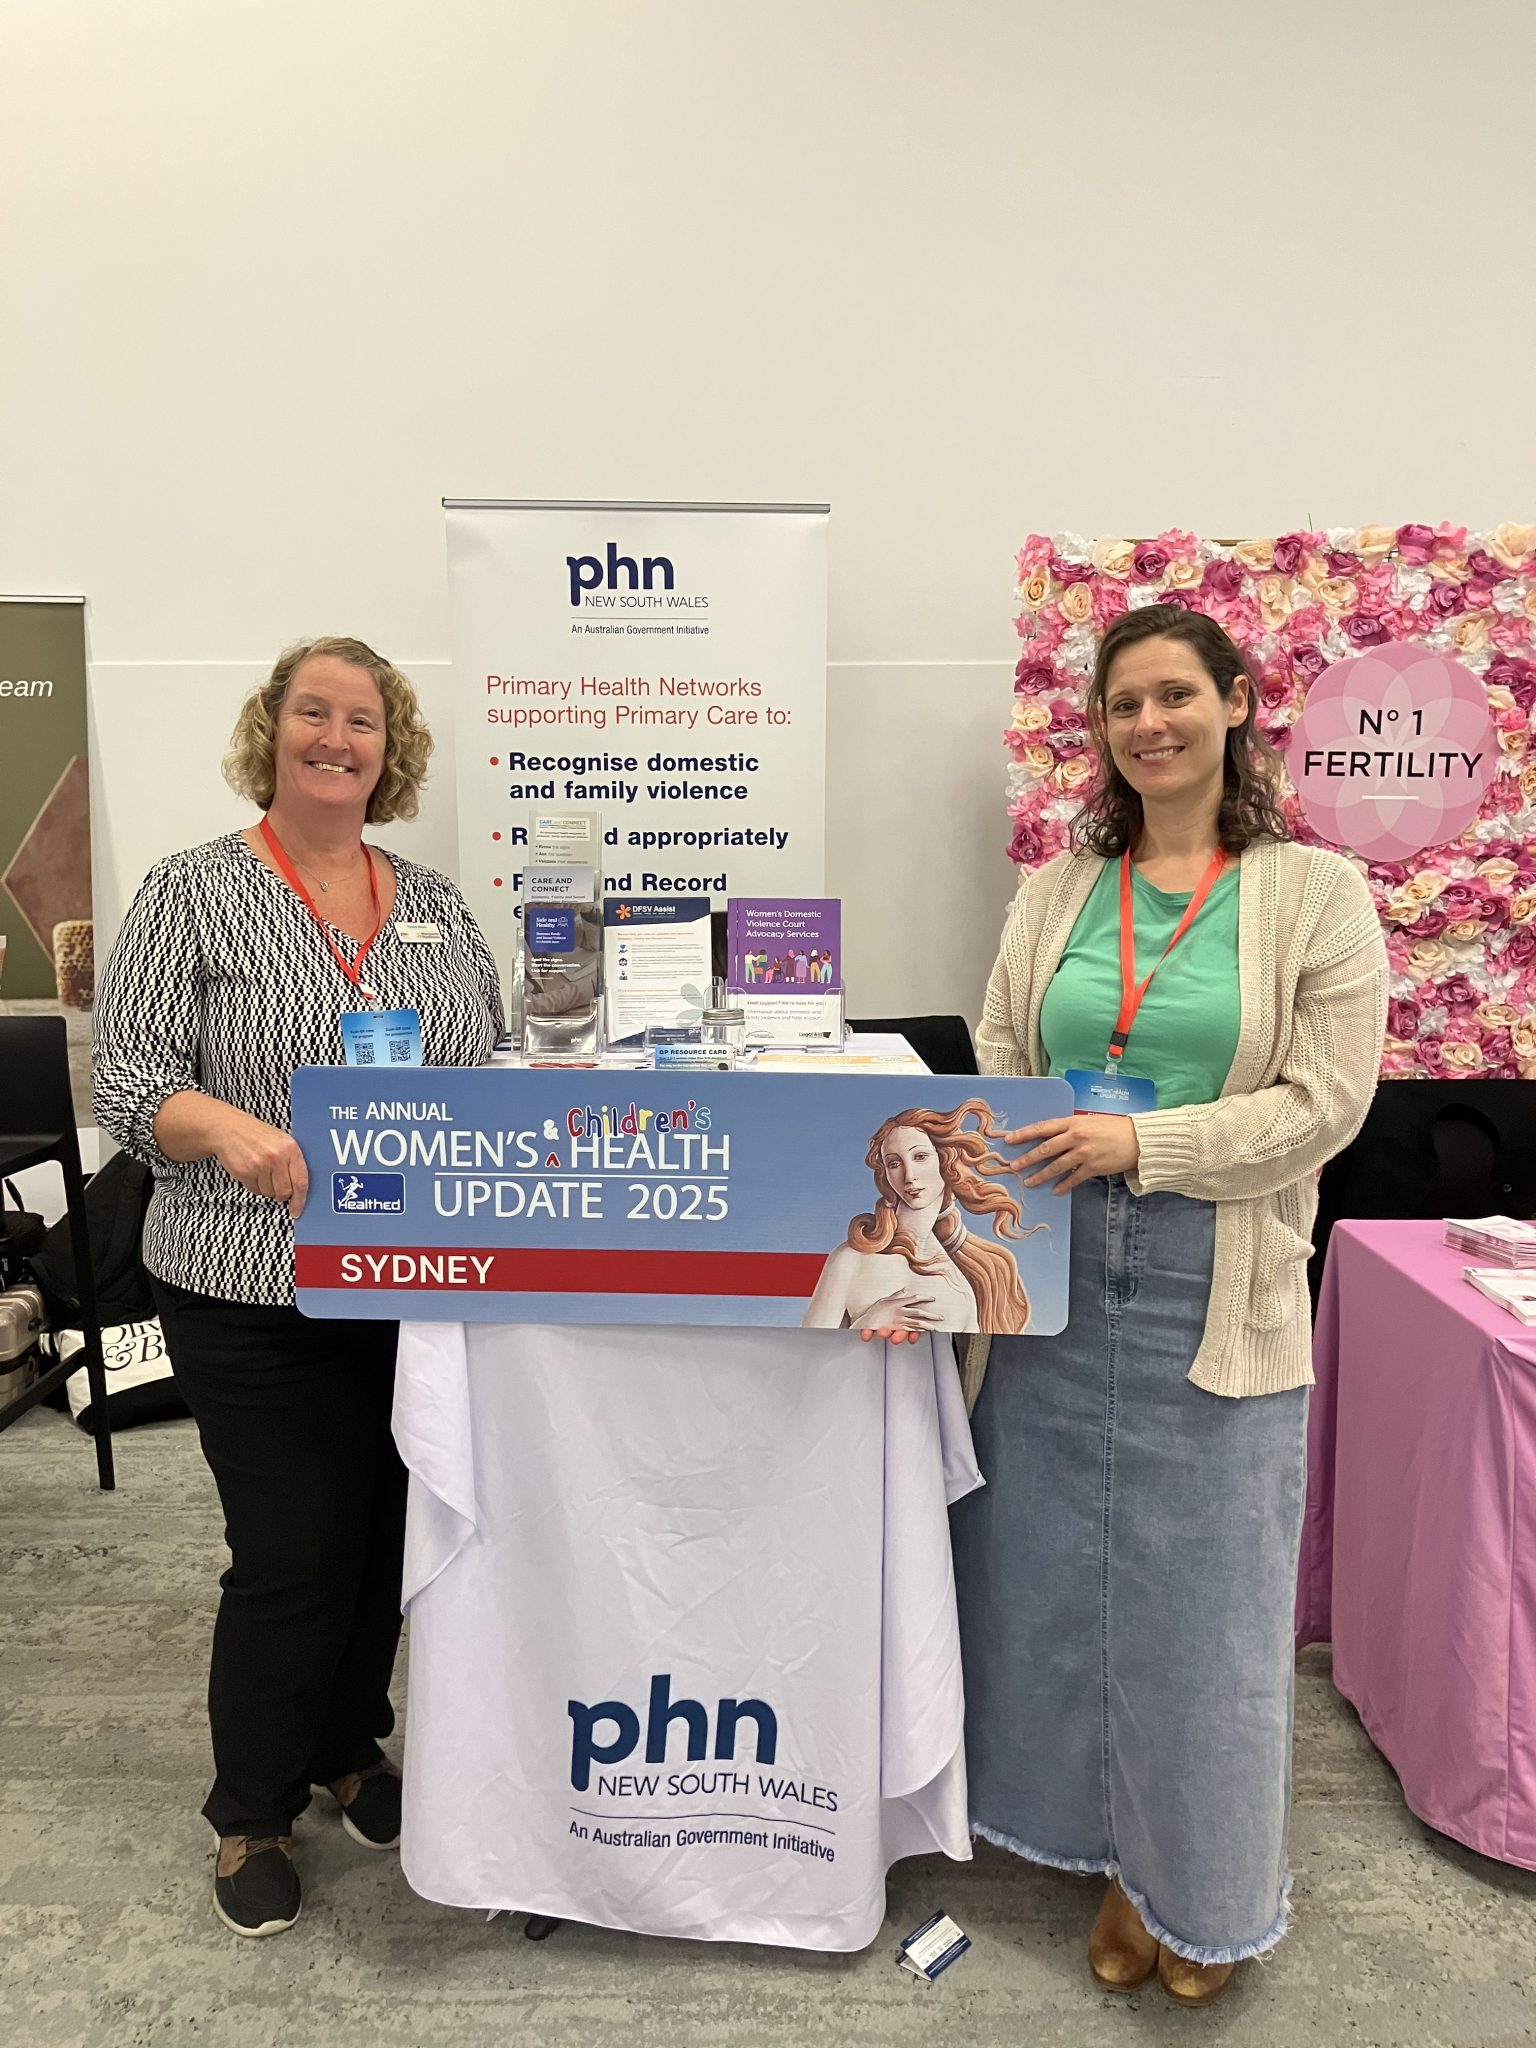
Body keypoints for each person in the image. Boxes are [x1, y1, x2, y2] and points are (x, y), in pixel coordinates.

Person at [950, 605, 1387, 2005]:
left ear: (1236, 702)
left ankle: (1189, 1882)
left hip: (1218, 1279)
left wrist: (1149, 1142)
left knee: (1205, 1608)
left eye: (1176, 695)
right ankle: (1100, 1849)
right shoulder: (1058, 889)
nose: (1150, 724)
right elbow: (1003, 1045)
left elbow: (1326, 1104)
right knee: (1048, 1580)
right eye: (1124, 702)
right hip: (1056, 1271)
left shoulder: (1315, 894)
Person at [93, 635, 504, 1940]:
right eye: (313, 713)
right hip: (248, 1277)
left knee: (386, 1533)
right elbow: (127, 1080)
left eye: (362, 721)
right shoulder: (192, 890)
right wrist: (222, 1127)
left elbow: (487, 1058)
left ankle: (347, 1747)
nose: (337, 738)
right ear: (272, 732)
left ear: (392, 750)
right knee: (293, 1551)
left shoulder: (433, 901)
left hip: (411, 1278)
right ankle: (251, 1808)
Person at [801, 1101, 1042, 1335]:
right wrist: (868, 1323)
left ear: (945, 1161)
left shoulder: (961, 1285)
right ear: (886, 1174)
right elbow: (806, 1351)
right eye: (894, 1163)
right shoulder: (850, 1259)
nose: (909, 1176)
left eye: (920, 1157)